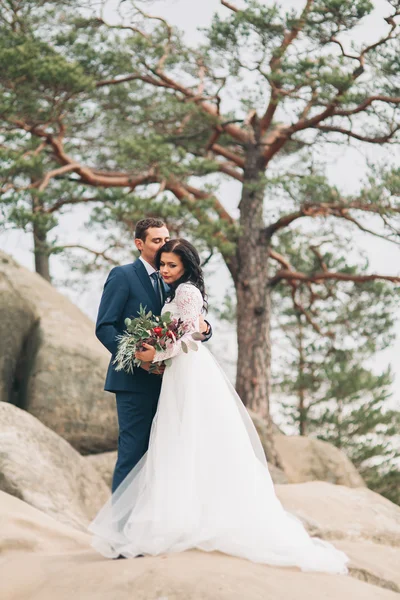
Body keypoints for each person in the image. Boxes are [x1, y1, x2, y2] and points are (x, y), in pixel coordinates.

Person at [89, 239, 349, 574]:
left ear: (186, 266)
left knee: (184, 440)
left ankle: (178, 523)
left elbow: (190, 338)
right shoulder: (159, 285)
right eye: (163, 263)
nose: (165, 269)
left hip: (186, 372)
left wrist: (157, 353)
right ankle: (165, 520)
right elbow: (185, 328)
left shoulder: (185, 292)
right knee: (170, 443)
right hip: (173, 376)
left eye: (172, 265)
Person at [95, 220, 211, 494]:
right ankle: (120, 532)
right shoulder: (122, 276)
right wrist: (139, 357)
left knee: (165, 455)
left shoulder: (175, 281)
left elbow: (187, 324)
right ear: (140, 244)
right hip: (133, 382)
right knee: (132, 453)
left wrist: (206, 330)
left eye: (166, 238)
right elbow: (104, 327)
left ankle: (150, 526)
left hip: (171, 382)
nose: (164, 245)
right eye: (157, 240)